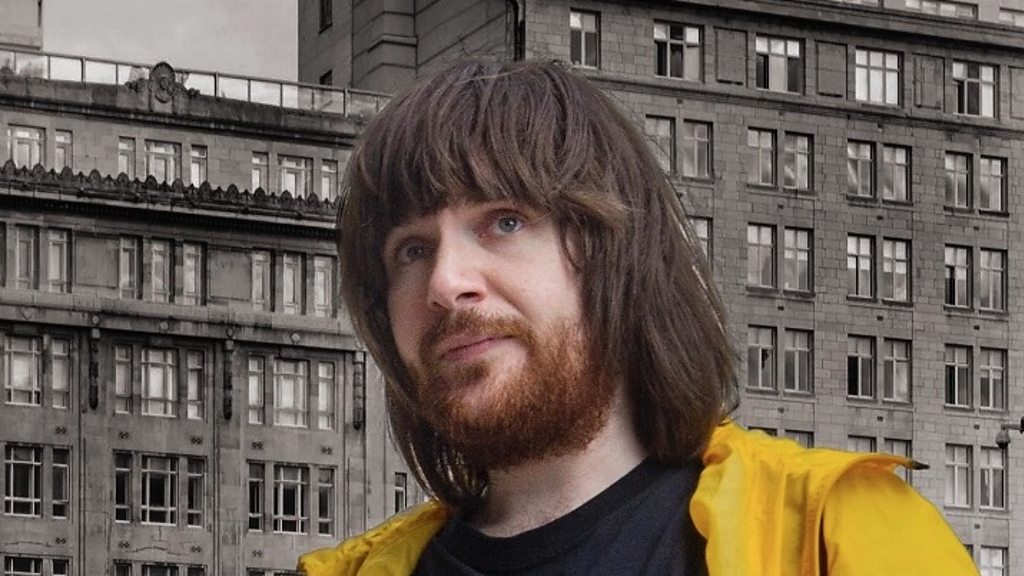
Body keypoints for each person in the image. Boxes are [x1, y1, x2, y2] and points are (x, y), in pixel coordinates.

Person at [299, 59, 977, 576]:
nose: (446, 283)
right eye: (411, 250)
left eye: (504, 222)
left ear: (615, 256)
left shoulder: (830, 537)